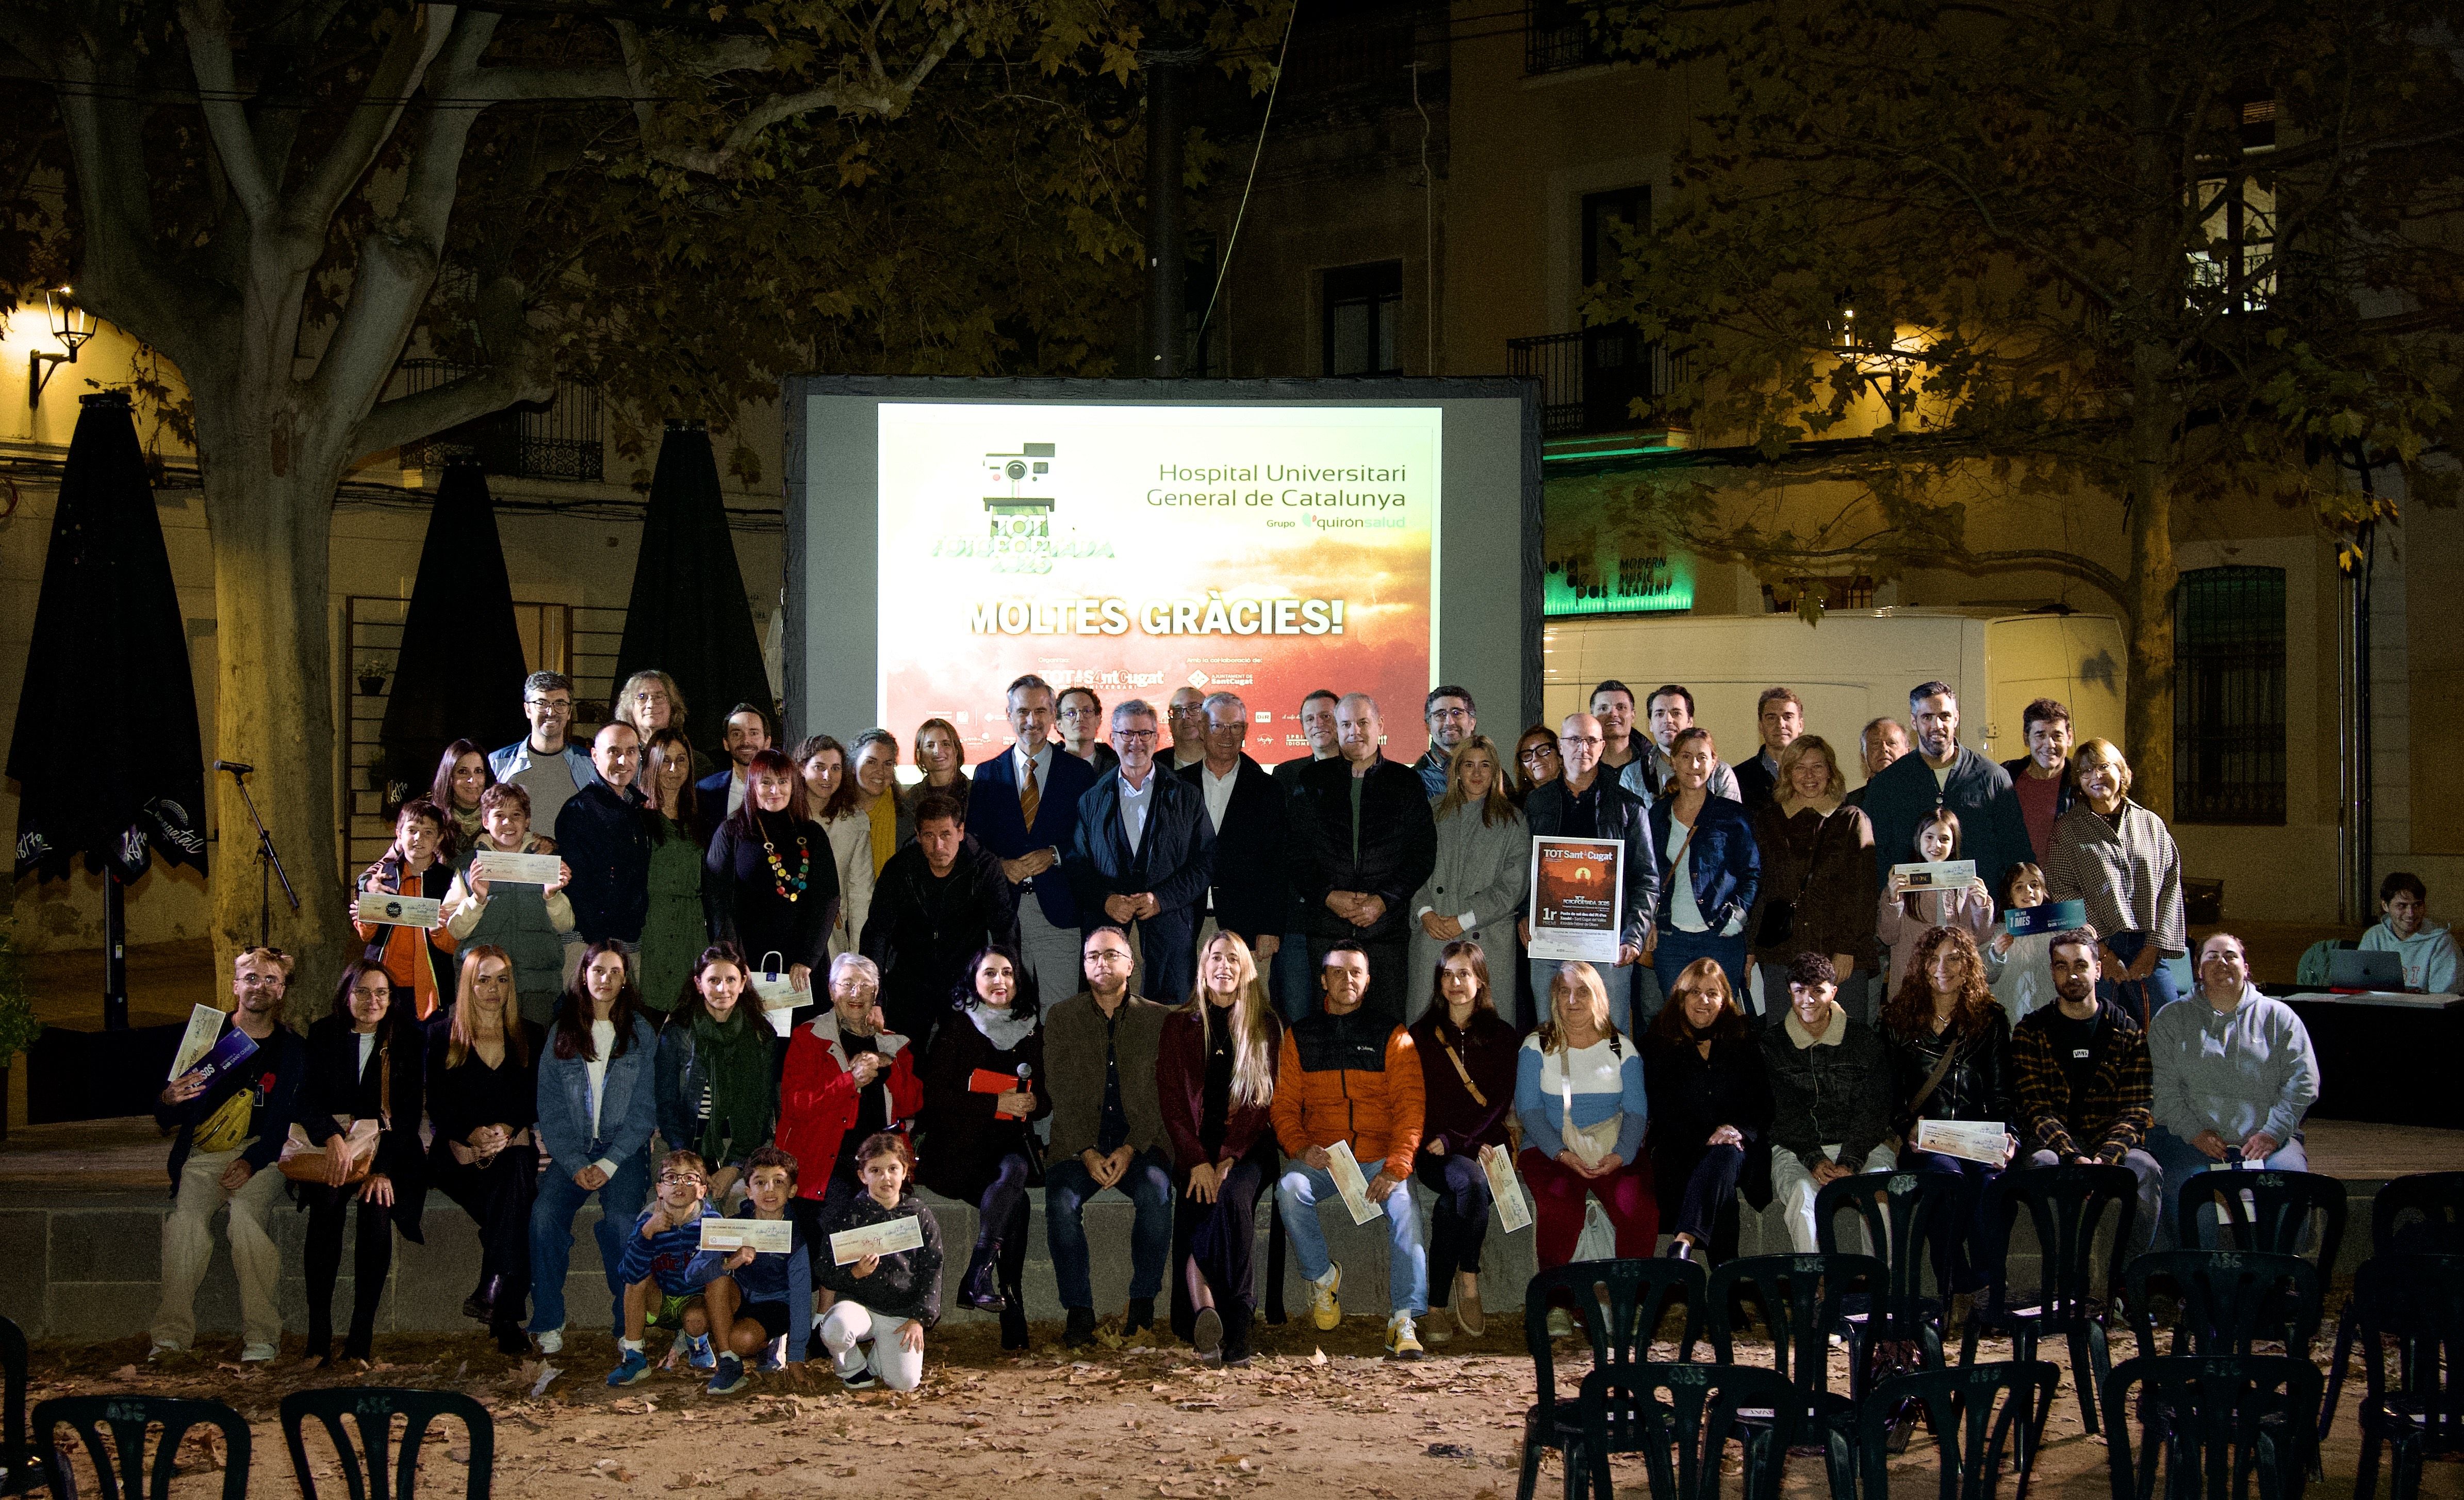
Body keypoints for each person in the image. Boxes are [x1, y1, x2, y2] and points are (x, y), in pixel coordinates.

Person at [1273, 942, 1431, 1359]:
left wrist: (1397, 1166)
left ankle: (1403, 1320)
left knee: (1406, 1212)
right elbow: (1284, 1106)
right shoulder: (1300, 1035)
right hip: (1324, 1159)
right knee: (1289, 1188)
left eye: (1356, 972)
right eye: (1338, 972)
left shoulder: (1392, 1035)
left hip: (1381, 1156)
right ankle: (1323, 1278)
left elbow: (1410, 1108)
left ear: (1368, 980)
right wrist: (1300, 1146)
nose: (1348, 980)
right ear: (1323, 980)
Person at [150, 948, 306, 1364]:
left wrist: (253, 1161)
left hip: (261, 1156)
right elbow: (168, 1111)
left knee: (247, 1223)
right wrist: (168, 1097)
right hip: (204, 1154)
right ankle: (169, 1338)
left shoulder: (291, 1049)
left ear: (283, 990)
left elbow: (282, 1121)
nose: (261, 986)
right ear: (236, 986)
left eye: (271, 980)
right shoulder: (206, 1037)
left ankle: (261, 1337)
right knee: (186, 1224)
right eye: (252, 978)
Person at [1044, 926, 1175, 1345]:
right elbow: (1059, 1090)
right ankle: (1078, 1311)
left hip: (1142, 1141)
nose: (1102, 963)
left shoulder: (1159, 1018)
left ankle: (1143, 1304)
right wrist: (1085, 1151)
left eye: (1112, 955)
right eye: (1093, 956)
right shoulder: (1062, 1017)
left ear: (1130, 964)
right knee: (1061, 1203)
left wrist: (1131, 1147)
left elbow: (1163, 1093)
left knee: (1156, 1194)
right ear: (1084, 966)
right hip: (1079, 1141)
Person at [2145, 933, 2320, 1245]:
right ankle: (2197, 1285)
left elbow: (2303, 1081)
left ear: (2246, 967)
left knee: (2289, 1192)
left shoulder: (2279, 1018)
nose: (2221, 963)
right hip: (2191, 1139)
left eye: (2230, 956)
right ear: (2198, 969)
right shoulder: (2170, 1020)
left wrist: (2272, 1132)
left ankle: (2279, 1283)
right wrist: (2195, 1132)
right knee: (2191, 1197)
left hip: (2268, 1138)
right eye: (2211, 956)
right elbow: (2162, 1089)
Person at [530, 941, 662, 1354]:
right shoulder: (562, 1031)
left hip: (622, 1153)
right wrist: (572, 1163)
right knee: (544, 1216)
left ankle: (627, 1326)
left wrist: (609, 1162)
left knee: (624, 1223)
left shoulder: (640, 1033)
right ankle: (549, 1319)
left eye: (615, 973)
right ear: (583, 976)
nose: (605, 980)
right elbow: (549, 1109)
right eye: (598, 971)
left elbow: (645, 1110)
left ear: (625, 980)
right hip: (571, 1153)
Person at [1159, 932, 1282, 1366]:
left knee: (1232, 1198)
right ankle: (1206, 1315)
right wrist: (1196, 1160)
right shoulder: (1179, 1024)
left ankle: (1233, 1315)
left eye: (1234, 959)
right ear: (1203, 965)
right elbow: (1172, 1102)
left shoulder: (1264, 1023)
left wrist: (1228, 1156)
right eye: (1216, 957)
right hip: (1193, 1146)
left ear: (1247, 969)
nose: (1224, 966)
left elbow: (1259, 1104)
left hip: (1248, 1148)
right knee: (1198, 1198)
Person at [298, 959, 428, 1367]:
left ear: (391, 1000)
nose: (373, 1001)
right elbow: (307, 1100)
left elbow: (407, 1117)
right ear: (346, 995)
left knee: (376, 1209)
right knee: (328, 1204)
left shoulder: (406, 1038)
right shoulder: (322, 1034)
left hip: (388, 1152)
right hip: (332, 1149)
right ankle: (319, 1336)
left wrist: (382, 1168)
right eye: (363, 992)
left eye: (382, 993)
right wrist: (332, 1138)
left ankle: (360, 1338)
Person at [1285, 693, 1439, 1029]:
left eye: (1363, 722)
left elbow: (1422, 853)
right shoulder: (1312, 782)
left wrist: (1384, 901)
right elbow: (1296, 853)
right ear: (1337, 730)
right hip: (1327, 930)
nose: (1354, 731)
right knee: (1326, 1028)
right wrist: (1328, 896)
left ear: (1380, 726)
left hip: (1386, 933)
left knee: (1386, 1030)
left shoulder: (1406, 781)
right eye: (1345, 724)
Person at [919, 947, 1046, 1349]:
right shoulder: (957, 1027)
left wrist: (1033, 1102)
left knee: (1016, 1171)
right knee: (1019, 1202)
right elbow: (935, 1098)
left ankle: (980, 1274)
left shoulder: (1029, 1028)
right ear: (974, 980)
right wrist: (994, 1103)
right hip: (957, 1152)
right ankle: (1011, 1309)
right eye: (989, 973)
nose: (1000, 981)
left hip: (1006, 1148)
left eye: (1008, 973)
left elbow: (1045, 1094)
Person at [1881, 926, 2016, 1300]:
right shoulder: (1898, 1022)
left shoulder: (1990, 1020)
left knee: (1993, 1187)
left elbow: (2004, 1096)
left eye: (1954, 958)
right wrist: (1908, 1126)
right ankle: (1957, 1286)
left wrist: (2010, 1140)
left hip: (1976, 1137)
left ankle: (1990, 1287)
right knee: (1947, 1181)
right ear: (1922, 965)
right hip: (1926, 1141)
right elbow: (1887, 1096)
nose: (1944, 968)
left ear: (1969, 965)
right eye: (1934, 958)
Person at [2010, 929, 2162, 1252]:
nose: (2072, 974)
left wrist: (2106, 1158)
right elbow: (2035, 1108)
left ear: (2098, 969)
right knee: (2042, 1164)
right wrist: (2073, 1156)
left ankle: (2121, 1281)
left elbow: (2136, 1109)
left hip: (2111, 1145)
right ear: (2052, 973)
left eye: (2080, 964)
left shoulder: (2128, 1030)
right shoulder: (2030, 1031)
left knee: (2145, 1170)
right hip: (2054, 1144)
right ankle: (2056, 1279)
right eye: (2062, 966)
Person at [425, 945, 545, 1354]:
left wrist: (510, 1128)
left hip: (511, 1148)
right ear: (468, 983)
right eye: (483, 979)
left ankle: (499, 1302)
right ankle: (504, 1303)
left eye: (502, 979)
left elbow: (535, 1098)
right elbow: (437, 1102)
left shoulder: (530, 1034)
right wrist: (465, 1137)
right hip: (458, 1155)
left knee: (513, 1176)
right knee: (517, 1205)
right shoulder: (442, 1033)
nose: (493, 989)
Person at [1516, 963, 1657, 1297]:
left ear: (1599, 998)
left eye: (1583, 992)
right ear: (1554, 998)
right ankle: (1558, 1301)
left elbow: (1637, 1113)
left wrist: (1621, 1155)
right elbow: (1529, 1110)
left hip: (1611, 1147)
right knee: (1560, 1210)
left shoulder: (1622, 1047)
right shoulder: (1536, 1045)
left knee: (1640, 1211)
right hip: (1547, 1148)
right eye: (1564, 992)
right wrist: (1561, 1154)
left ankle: (1628, 1298)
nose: (1573, 1000)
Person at [1065, 698, 1215, 1003]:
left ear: (1157, 738)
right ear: (1112, 739)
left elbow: (1206, 861)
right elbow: (1077, 864)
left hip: (1171, 922)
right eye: (1127, 734)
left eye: (1145, 734)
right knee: (1102, 1005)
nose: (1136, 742)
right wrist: (1105, 900)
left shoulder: (1186, 796)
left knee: (1169, 1013)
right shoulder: (1092, 799)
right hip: (1105, 922)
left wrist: (1163, 899)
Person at [1520, 711, 1660, 1030]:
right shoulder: (1536, 804)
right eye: (1574, 740)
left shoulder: (1629, 805)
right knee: (1549, 1034)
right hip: (1548, 940)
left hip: (1609, 946)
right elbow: (1520, 871)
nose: (1582, 748)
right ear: (1560, 746)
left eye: (1591, 740)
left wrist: (1634, 936)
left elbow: (1646, 879)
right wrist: (1522, 915)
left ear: (1601, 747)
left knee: (1610, 1036)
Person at [1408, 940, 1518, 1343]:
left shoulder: (1503, 1036)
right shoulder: (1420, 1035)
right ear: (1438, 981)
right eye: (1448, 974)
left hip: (1485, 1146)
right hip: (1437, 1152)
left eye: (1464, 974)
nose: (1456, 983)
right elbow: (1417, 1099)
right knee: (1467, 1184)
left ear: (1481, 980)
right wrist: (1447, 1141)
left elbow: (1499, 1101)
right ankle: (1469, 1280)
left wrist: (1462, 1140)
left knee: (1453, 1205)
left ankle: (1441, 1300)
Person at [972, 674, 1102, 998]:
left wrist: (1055, 854)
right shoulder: (987, 774)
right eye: (1022, 712)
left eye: (1041, 712)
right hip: (1002, 913)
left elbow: (1091, 842)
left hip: (1058, 913)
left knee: (1057, 1013)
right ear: (1009, 715)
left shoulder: (1079, 774)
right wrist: (999, 865)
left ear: (1053, 715)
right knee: (1003, 1011)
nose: (1032, 721)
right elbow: (972, 842)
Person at [2045, 738, 2186, 1025]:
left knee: (2168, 1027)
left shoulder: (2151, 823)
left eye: (2103, 767)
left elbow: (2171, 885)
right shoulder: (2067, 830)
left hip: (2149, 946)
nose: (2095, 777)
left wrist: (2152, 949)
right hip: (2099, 950)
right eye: (2086, 772)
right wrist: (2102, 954)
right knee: (2106, 1032)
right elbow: (2063, 895)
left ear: (2122, 771)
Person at [1761, 954, 1895, 1253]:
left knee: (1880, 1191)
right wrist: (1814, 1158)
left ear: (1833, 992)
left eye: (1818, 991)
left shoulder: (1864, 1039)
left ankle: (1882, 1285)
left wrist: (1851, 1161)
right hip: (1797, 1149)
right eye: (1799, 991)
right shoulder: (1772, 1044)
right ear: (1789, 993)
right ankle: (1815, 1285)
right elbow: (1781, 1114)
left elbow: (1875, 1108)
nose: (1808, 1000)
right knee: (1801, 1193)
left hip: (1863, 1146)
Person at [860, 791, 1019, 1045]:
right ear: (918, 835)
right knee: (901, 1059)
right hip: (910, 978)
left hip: (965, 977)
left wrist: (1006, 988)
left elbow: (1005, 930)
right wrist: (874, 998)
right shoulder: (900, 869)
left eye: (946, 835)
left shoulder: (985, 867)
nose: (939, 847)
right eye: (929, 836)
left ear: (961, 831)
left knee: (959, 1059)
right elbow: (876, 934)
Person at [1642, 958, 1772, 1266]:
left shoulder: (1743, 1037)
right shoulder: (1658, 1041)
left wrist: (1735, 1130)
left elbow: (1764, 1102)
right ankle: (1727, 1293)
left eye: (1712, 993)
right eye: (1695, 992)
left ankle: (1685, 1238)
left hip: (1738, 1145)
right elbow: (1662, 1108)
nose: (1704, 1001)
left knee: (1725, 1156)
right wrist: (1709, 1137)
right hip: (1679, 1145)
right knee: (1722, 1178)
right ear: (1681, 997)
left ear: (1724, 1000)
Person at [1746, 735, 1876, 1025]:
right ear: (1787, 773)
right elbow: (1761, 889)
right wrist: (1751, 949)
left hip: (1839, 952)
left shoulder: (1852, 820)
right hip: (1782, 952)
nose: (1809, 776)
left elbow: (1863, 892)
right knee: (1785, 1041)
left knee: (1845, 1043)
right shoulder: (1767, 821)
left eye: (1817, 767)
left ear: (1831, 771)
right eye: (1799, 768)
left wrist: (1847, 948)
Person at [1862, 681, 2029, 905]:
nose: (1937, 725)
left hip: (1981, 923)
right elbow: (1874, 860)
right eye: (1927, 717)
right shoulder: (1887, 785)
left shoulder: (1992, 778)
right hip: (1911, 924)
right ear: (1914, 722)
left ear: (1957, 718)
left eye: (1945, 716)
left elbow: (2017, 852)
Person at [779, 954, 922, 1206]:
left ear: (875, 993)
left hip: (880, 1167)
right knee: (842, 1229)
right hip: (826, 1165)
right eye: (847, 985)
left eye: (865, 986)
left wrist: (889, 1069)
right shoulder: (808, 1037)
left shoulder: (894, 1044)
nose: (856, 993)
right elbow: (796, 1105)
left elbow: (913, 1105)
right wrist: (850, 1082)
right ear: (832, 992)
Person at [704, 747, 840, 1008]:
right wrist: (733, 959)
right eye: (766, 782)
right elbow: (717, 901)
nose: (775, 790)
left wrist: (807, 958)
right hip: (748, 962)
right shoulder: (731, 832)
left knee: (803, 1044)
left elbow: (828, 898)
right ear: (752, 786)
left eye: (782, 782)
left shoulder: (812, 834)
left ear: (794, 785)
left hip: (802, 966)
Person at [1408, 734, 1529, 1025]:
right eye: (1469, 765)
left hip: (1486, 938)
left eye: (1485, 765)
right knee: (1428, 1033)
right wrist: (1425, 913)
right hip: (1433, 933)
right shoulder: (1431, 811)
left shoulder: (1513, 820)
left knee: (1488, 1035)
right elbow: (1411, 868)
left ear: (1495, 771)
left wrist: (1464, 920)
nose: (1477, 773)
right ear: (1457, 771)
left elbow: (1513, 886)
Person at [439, 783, 577, 1026]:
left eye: (516, 816)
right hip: (483, 986)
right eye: (499, 816)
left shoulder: (547, 863)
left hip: (536, 987)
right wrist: (477, 899)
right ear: (485, 821)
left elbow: (566, 926)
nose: (507, 823)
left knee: (531, 1057)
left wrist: (552, 896)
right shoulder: (468, 866)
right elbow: (456, 930)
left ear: (527, 821)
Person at [816, 1131, 944, 1391]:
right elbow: (824, 1270)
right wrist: (854, 1274)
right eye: (876, 1170)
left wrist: (919, 1318)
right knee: (835, 1328)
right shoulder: (848, 1216)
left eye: (893, 1169)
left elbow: (933, 1267)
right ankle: (852, 1368)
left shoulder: (918, 1214)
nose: (886, 1177)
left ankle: (879, 1359)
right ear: (863, 1175)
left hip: (901, 1313)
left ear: (905, 1171)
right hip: (858, 1307)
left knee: (905, 1383)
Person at [656, 945, 779, 1205]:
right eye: (713, 980)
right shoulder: (677, 1031)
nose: (723, 989)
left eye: (731, 980)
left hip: (743, 1146)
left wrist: (734, 1166)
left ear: (743, 983)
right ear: (699, 984)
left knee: (739, 1210)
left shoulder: (762, 1035)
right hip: (686, 1141)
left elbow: (762, 1106)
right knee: (681, 1210)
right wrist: (688, 1162)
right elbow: (666, 1102)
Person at [1650, 727, 1760, 1006]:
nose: (1694, 765)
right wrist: (1649, 920)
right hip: (1670, 939)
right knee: (1676, 1023)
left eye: (1702, 757)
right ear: (1672, 761)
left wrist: (1738, 915)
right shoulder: (1657, 814)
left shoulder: (1733, 815)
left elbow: (1752, 872)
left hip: (1720, 936)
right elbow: (1646, 874)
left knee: (1721, 1022)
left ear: (1714, 762)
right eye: (1686, 756)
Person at [1180, 691, 1288, 964]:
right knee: (1185, 1006)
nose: (1227, 735)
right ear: (1203, 729)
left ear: (1245, 731)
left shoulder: (1268, 790)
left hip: (1248, 930)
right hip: (1184, 925)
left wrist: (1270, 927)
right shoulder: (1177, 786)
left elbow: (1278, 862)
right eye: (1218, 726)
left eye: (1236, 727)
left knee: (1248, 1007)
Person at [605, 1147, 726, 1385]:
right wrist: (648, 1233)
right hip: (658, 1300)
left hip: (694, 1299)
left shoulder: (712, 1223)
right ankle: (634, 1355)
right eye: (671, 1177)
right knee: (637, 1277)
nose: (679, 1184)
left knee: (697, 1317)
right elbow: (627, 1272)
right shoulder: (647, 1220)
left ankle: (696, 1342)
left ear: (702, 1190)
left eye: (690, 1178)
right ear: (660, 1189)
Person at [699, 1145, 814, 1391]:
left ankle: (772, 1342)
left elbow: (801, 1297)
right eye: (760, 1183)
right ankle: (729, 1364)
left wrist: (796, 1359)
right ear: (749, 1192)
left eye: (779, 1182)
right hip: (740, 1298)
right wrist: (729, 1263)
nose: (769, 1190)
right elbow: (693, 1274)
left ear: (792, 1190)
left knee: (743, 1340)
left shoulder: (795, 1238)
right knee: (718, 1279)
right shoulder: (733, 1227)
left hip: (776, 1305)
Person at [556, 722, 658, 973]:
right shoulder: (579, 810)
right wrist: (602, 945)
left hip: (628, 938)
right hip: (590, 943)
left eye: (632, 751)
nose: (623, 760)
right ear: (594, 756)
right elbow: (580, 888)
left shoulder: (637, 808)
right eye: (614, 752)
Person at [1269, 688, 1344, 1020]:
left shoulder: (1363, 772)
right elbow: (1277, 848)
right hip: (1295, 924)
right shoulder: (1285, 775)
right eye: (1309, 719)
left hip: (1343, 922)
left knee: (1339, 1013)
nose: (1318, 725)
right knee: (1296, 1016)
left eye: (1326, 716)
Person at [1875, 807, 1998, 996]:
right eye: (1929, 837)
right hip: (1912, 985)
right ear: (1919, 839)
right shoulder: (1902, 884)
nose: (1936, 845)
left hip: (1954, 984)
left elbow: (1981, 938)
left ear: (1954, 844)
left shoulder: (1965, 883)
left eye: (1944, 839)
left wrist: (1982, 905)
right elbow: (1888, 937)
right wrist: (1893, 900)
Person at [354, 798, 458, 1019]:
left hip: (430, 987)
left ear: (439, 838)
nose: (419, 838)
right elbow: (367, 935)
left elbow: (454, 943)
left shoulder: (449, 882)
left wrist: (440, 930)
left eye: (428, 832)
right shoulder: (382, 877)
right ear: (399, 833)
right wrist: (367, 916)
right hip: (382, 988)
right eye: (412, 830)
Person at [637, 727, 709, 1017]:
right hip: (650, 931)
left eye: (681, 760)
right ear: (651, 764)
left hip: (691, 932)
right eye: (665, 760)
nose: (673, 769)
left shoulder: (700, 820)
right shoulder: (637, 819)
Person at [796, 734, 876, 960]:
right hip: (788, 929)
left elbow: (861, 892)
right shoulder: (785, 816)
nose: (827, 776)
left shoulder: (854, 820)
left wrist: (858, 956)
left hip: (831, 934)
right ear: (802, 768)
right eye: (819, 767)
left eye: (835, 768)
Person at [490, 671, 594, 836]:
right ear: (528, 709)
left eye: (560, 703)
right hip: (517, 860)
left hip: (572, 861)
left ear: (569, 712)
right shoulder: (497, 763)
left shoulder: (590, 764)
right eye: (542, 703)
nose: (551, 712)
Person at [1633, 683, 1744, 806]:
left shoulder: (1720, 773)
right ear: (1650, 725)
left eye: (1676, 713)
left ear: (1690, 722)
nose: (1668, 720)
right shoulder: (1633, 775)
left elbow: (1731, 821)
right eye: (1660, 714)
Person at [2002, 698, 2076, 864]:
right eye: (2040, 735)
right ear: (2026, 739)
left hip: (2067, 885)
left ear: (2069, 738)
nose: (2049, 745)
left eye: (2057, 736)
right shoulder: (2005, 778)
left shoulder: (2083, 783)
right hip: (2017, 884)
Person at [1983, 862, 2059, 1024]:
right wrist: (1996, 954)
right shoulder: (1995, 932)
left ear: (2043, 892)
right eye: (2019, 887)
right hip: (2010, 1024)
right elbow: (1984, 976)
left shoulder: (2059, 931)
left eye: (2035, 885)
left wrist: (2084, 937)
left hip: (2050, 1023)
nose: (2029, 891)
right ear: (2009, 897)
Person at [2358, 871, 2459, 992]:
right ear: (2385, 906)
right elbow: (2361, 989)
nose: (2411, 913)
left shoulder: (2441, 942)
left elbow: (2444, 999)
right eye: (2402, 906)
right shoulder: (2374, 937)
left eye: (2417, 905)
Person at [694, 703, 773, 837]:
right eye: (737, 734)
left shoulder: (784, 791)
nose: (746, 740)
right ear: (726, 744)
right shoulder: (705, 791)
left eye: (754, 733)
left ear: (767, 742)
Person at [614, 669, 697, 791]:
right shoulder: (619, 761)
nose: (651, 704)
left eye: (659, 696)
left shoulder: (696, 762)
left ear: (672, 706)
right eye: (642, 697)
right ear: (629, 708)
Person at [897, 717, 972, 844]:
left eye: (946, 744)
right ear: (920, 755)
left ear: (957, 751)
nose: (938, 751)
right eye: (930, 746)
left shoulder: (978, 793)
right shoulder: (910, 800)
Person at [1732, 687, 1804, 812]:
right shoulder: (1738, 778)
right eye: (1772, 717)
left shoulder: (1818, 775)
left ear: (1800, 725)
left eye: (1788, 717)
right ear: (1761, 726)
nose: (1781, 724)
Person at [846, 728, 904, 879]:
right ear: (853, 766)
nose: (880, 771)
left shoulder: (906, 814)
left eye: (888, 764)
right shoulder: (837, 813)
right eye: (871, 762)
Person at [431, 738, 495, 867]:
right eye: (463, 772)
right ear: (449, 777)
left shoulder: (500, 817)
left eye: (479, 771)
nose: (472, 780)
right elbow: (397, 854)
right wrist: (377, 874)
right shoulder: (431, 817)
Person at [1413, 685, 1478, 798]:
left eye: (1457, 713)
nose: (1449, 722)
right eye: (1441, 715)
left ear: (1472, 722)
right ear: (1428, 726)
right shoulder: (1412, 781)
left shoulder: (1491, 775)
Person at [1840, 717, 1909, 812]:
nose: (1884, 749)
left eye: (1892, 743)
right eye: (1876, 744)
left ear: (1907, 753)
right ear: (1863, 755)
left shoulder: (1923, 797)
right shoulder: (1848, 807)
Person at [1056, 686, 1121, 775]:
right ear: (1059, 725)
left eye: (1087, 711)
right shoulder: (1048, 766)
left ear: (1098, 720)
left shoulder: (1117, 767)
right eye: (1071, 713)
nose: (1080, 718)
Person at [1512, 723, 1562, 805]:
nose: (1535, 758)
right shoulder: (1514, 809)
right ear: (1523, 769)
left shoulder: (1578, 797)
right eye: (1527, 755)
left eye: (1543, 750)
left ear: (1560, 757)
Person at [1165, 685, 1211, 772]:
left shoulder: (1229, 763)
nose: (1185, 716)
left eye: (1194, 708)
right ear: (1170, 724)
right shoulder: (1154, 767)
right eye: (1178, 711)